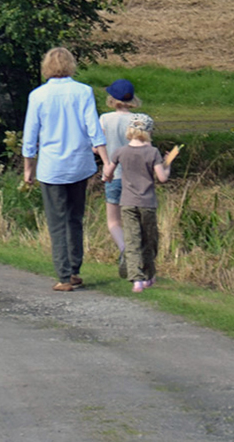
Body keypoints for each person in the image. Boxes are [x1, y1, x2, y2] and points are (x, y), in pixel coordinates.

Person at [21, 47, 109, 291]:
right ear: (71, 65)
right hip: (79, 164)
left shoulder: (38, 96)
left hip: (52, 167)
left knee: (57, 221)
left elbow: (30, 135)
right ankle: (74, 269)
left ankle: (63, 275)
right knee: (75, 218)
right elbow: (94, 128)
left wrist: (29, 166)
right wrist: (106, 160)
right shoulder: (83, 92)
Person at [104, 120, 181, 292]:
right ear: (148, 132)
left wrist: (107, 178)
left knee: (131, 241)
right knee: (149, 239)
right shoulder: (153, 152)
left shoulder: (120, 152)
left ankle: (136, 279)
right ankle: (148, 275)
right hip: (147, 203)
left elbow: (107, 174)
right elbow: (162, 178)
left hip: (127, 202)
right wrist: (167, 164)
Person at [98, 79, 143, 277]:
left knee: (114, 222)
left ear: (112, 99)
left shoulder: (105, 119)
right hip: (138, 179)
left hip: (113, 175)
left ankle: (125, 248)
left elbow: (96, 145)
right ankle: (138, 254)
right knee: (136, 220)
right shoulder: (141, 119)